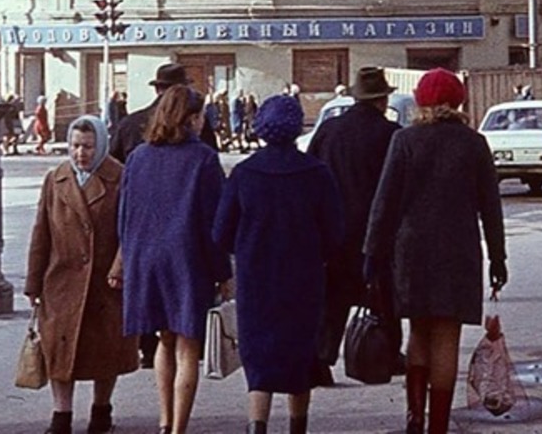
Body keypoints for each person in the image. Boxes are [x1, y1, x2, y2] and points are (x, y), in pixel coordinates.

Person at [365, 68, 506, 434]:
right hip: (458, 252)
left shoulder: (405, 141)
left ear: (421, 100)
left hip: (411, 252)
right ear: (458, 100)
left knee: (418, 332)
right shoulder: (474, 143)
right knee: (447, 337)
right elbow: (491, 206)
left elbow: (384, 203)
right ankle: (438, 427)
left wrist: (371, 254)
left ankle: (414, 418)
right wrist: (498, 258)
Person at [214, 95, 343, 434]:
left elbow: (220, 233)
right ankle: (297, 426)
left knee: (258, 361)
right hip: (304, 281)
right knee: (299, 356)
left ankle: (258, 427)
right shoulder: (316, 173)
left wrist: (243, 250)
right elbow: (335, 233)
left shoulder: (244, 174)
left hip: (256, 281)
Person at [114, 85, 231, 434]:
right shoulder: (203, 159)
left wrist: (128, 258)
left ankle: (164, 421)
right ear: (191, 118)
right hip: (186, 260)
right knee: (187, 344)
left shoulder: (138, 157)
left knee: (163, 340)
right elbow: (216, 223)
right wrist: (223, 271)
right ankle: (179, 427)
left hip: (146, 260)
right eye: (200, 116)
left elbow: (124, 216)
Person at [26, 115, 137, 434]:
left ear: (100, 144)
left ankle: (101, 412)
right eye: (74, 145)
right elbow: (41, 233)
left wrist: (120, 266)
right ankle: (61, 416)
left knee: (106, 350)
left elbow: (130, 229)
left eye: (87, 146)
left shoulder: (120, 177)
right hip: (61, 282)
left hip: (105, 283)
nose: (80, 153)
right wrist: (34, 282)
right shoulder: (56, 178)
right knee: (59, 349)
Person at [306, 66, 402, 385]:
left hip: (332, 229)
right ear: (382, 100)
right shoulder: (391, 133)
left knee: (332, 298)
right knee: (382, 292)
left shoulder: (330, 130)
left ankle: (322, 359)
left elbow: (312, 172)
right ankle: (386, 353)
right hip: (375, 230)